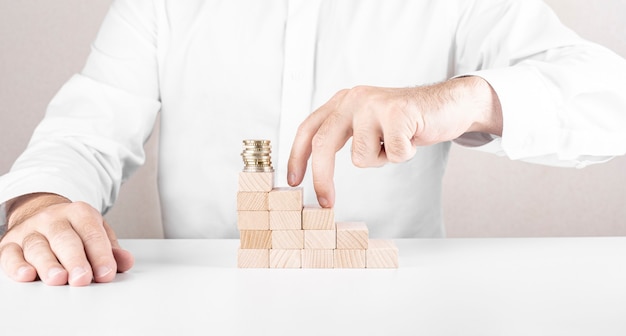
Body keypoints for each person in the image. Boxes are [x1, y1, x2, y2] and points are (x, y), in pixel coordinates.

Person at [0, 0, 625, 286]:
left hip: (403, 311)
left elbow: (610, 100)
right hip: (199, 309)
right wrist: (41, 208)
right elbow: (84, 133)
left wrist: (459, 98)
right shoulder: (161, 6)